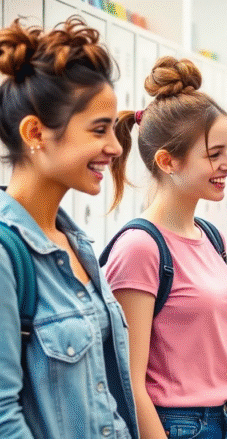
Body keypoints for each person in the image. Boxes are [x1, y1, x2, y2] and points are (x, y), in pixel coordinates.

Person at [0, 17, 138, 438]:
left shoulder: (76, 244)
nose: (116, 147)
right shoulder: (7, 254)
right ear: (36, 132)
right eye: (100, 130)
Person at [104, 57, 227, 439]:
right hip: (177, 426)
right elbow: (128, 382)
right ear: (167, 161)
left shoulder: (210, 236)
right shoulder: (140, 247)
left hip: (222, 419)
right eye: (214, 154)